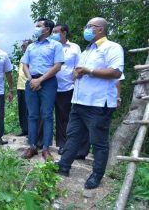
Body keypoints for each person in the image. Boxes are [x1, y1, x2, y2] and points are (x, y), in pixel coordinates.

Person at [57, 17, 124, 190]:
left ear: (100, 29)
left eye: (89, 26)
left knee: (98, 141)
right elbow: (79, 71)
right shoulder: (87, 51)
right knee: (72, 135)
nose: (86, 29)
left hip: (98, 103)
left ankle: (96, 175)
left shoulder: (112, 48)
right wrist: (76, 73)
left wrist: (89, 71)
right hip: (79, 101)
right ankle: (64, 166)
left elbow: (116, 72)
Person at [21, 18, 64, 160]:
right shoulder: (31, 47)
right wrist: (31, 80)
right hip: (31, 82)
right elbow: (25, 65)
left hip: (48, 82)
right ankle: (32, 146)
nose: (36, 28)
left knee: (46, 115)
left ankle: (46, 148)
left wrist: (40, 80)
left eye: (38, 26)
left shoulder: (55, 45)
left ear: (47, 29)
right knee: (32, 115)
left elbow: (57, 66)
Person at [50, 24, 81, 155]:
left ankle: (64, 145)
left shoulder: (74, 48)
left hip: (67, 87)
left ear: (64, 33)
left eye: (56, 32)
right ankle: (42, 142)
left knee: (64, 117)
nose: (53, 34)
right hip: (50, 86)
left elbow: (78, 66)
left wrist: (75, 81)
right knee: (46, 115)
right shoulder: (51, 46)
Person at [16, 39, 32, 136]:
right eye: (22, 46)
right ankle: (24, 129)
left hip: (28, 86)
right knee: (21, 109)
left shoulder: (32, 56)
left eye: (24, 46)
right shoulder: (23, 57)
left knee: (29, 110)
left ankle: (31, 130)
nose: (22, 47)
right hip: (20, 86)